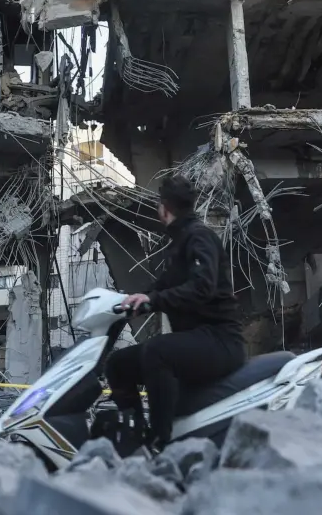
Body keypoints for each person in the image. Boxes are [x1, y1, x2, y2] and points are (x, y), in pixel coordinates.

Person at [104, 174, 246, 451]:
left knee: (157, 351)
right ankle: (134, 440)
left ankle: (160, 440)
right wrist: (130, 302)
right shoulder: (179, 244)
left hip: (220, 339)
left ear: (164, 208)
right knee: (117, 364)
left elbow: (201, 288)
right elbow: (160, 287)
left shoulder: (200, 238)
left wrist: (153, 300)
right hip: (198, 339)